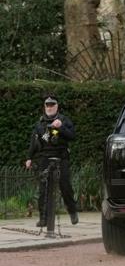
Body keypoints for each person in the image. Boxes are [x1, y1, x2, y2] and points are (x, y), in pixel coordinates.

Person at [25, 94, 79, 227]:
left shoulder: (64, 120)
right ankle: (43, 218)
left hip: (61, 156)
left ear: (57, 106)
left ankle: (72, 211)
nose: (49, 107)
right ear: (44, 107)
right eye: (47, 105)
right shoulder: (40, 123)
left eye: (52, 105)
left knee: (65, 185)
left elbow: (72, 136)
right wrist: (29, 157)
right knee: (43, 189)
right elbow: (34, 142)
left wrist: (60, 127)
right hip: (45, 157)